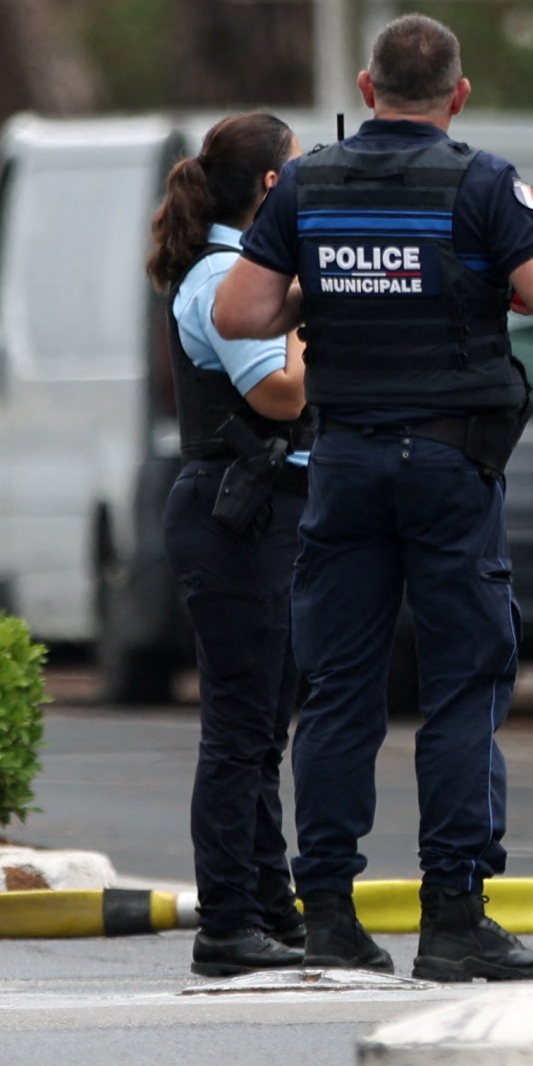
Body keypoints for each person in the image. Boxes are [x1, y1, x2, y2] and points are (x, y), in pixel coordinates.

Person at [214, 14, 533, 983]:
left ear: (366, 83)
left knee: (342, 686)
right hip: (448, 466)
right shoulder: (482, 181)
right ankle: (455, 914)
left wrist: (326, 290)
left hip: (342, 461)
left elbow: (241, 312)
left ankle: (330, 913)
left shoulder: (308, 181)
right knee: (463, 682)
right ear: (457, 95)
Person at [147, 111, 313, 979]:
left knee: (261, 729)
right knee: (240, 731)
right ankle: (228, 921)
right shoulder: (222, 275)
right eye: (300, 169)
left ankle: (269, 908)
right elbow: (280, 394)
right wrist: (309, 321)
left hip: (259, 515)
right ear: (272, 188)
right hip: (237, 516)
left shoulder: (239, 269)